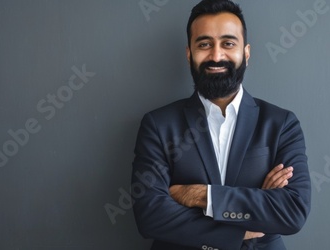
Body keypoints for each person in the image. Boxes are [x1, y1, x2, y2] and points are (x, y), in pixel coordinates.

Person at [131, 0, 311, 249]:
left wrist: (201, 195)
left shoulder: (281, 124)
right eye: (204, 44)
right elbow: (150, 215)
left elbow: (292, 212)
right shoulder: (158, 125)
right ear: (189, 53)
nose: (216, 55)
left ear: (246, 52)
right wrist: (247, 220)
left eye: (228, 43)